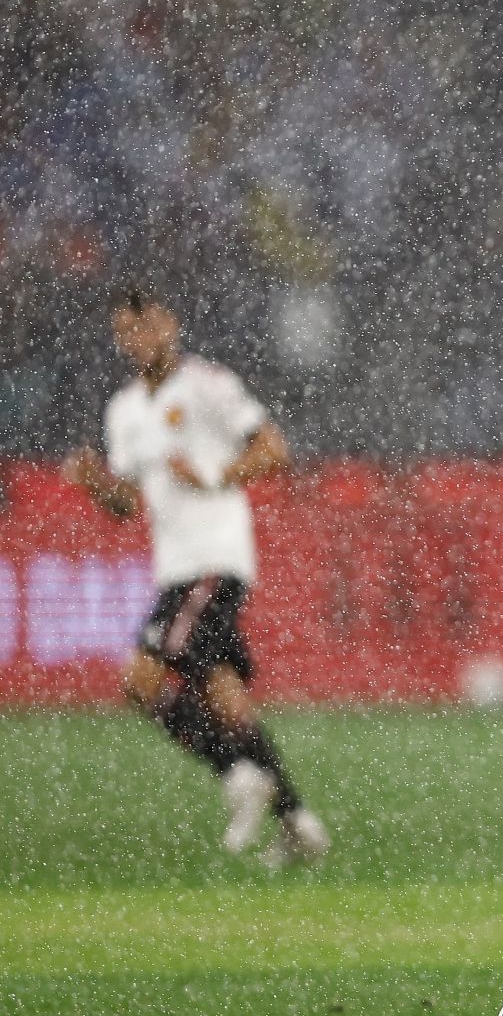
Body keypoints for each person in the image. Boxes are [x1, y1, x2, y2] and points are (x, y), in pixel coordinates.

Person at [61, 286, 328, 868]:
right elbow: (129, 503)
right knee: (224, 694)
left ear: (169, 324)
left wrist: (213, 473)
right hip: (175, 567)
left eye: (147, 325)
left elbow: (273, 448)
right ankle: (299, 821)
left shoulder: (208, 385)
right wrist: (94, 483)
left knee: (141, 678)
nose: (138, 339)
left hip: (214, 559)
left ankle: (238, 775)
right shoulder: (124, 411)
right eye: (126, 331)